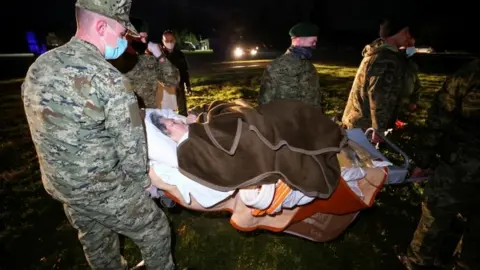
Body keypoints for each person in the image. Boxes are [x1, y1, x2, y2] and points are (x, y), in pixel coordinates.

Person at [20, 0, 174, 269]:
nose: (123, 41)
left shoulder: (39, 67)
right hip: (101, 186)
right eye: (120, 33)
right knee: (156, 228)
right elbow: (131, 147)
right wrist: (143, 184)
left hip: (61, 185)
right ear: (101, 26)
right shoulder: (109, 79)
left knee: (98, 243)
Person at [401, 58, 480, 270]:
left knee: (435, 215)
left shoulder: (469, 75)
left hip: (461, 163)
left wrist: (424, 157)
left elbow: (440, 116)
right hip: (464, 159)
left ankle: (417, 263)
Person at [341, 18, 421, 141]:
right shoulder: (387, 59)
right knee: (363, 158)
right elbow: (378, 95)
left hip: (356, 121)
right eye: (406, 33)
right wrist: (379, 129)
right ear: (398, 32)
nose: (408, 37)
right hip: (365, 128)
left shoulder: (377, 51)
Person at [257, 22, 322, 108]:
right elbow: (264, 103)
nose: (314, 45)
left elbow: (315, 100)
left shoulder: (310, 67)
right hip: (285, 120)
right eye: (313, 42)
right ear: (299, 40)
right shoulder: (276, 67)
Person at [124, 38, 180, 108]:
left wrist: (160, 56)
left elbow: (173, 80)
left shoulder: (146, 61)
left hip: (151, 114)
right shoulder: (108, 68)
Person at [162, 30, 192, 116]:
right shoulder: (159, 55)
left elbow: (184, 71)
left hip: (179, 87)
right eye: (167, 41)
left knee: (182, 111)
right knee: (167, 114)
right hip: (165, 89)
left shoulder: (180, 55)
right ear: (163, 41)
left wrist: (188, 85)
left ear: (175, 40)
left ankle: (184, 125)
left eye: (171, 40)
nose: (169, 43)